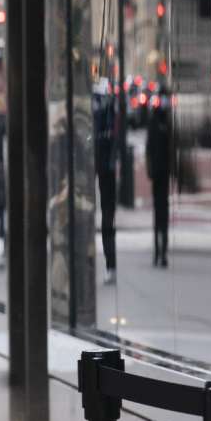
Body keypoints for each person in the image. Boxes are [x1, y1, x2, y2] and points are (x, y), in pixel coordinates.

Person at [92, 79, 118, 283]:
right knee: (106, 217)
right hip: (103, 166)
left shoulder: (103, 109)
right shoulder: (108, 108)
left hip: (101, 164)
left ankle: (110, 264)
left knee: (105, 217)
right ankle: (110, 265)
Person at [147, 87, 172, 269]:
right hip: (157, 173)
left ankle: (162, 252)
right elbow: (149, 147)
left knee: (163, 214)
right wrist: (150, 169)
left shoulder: (167, 120)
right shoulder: (155, 120)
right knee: (159, 214)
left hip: (163, 173)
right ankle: (158, 251)